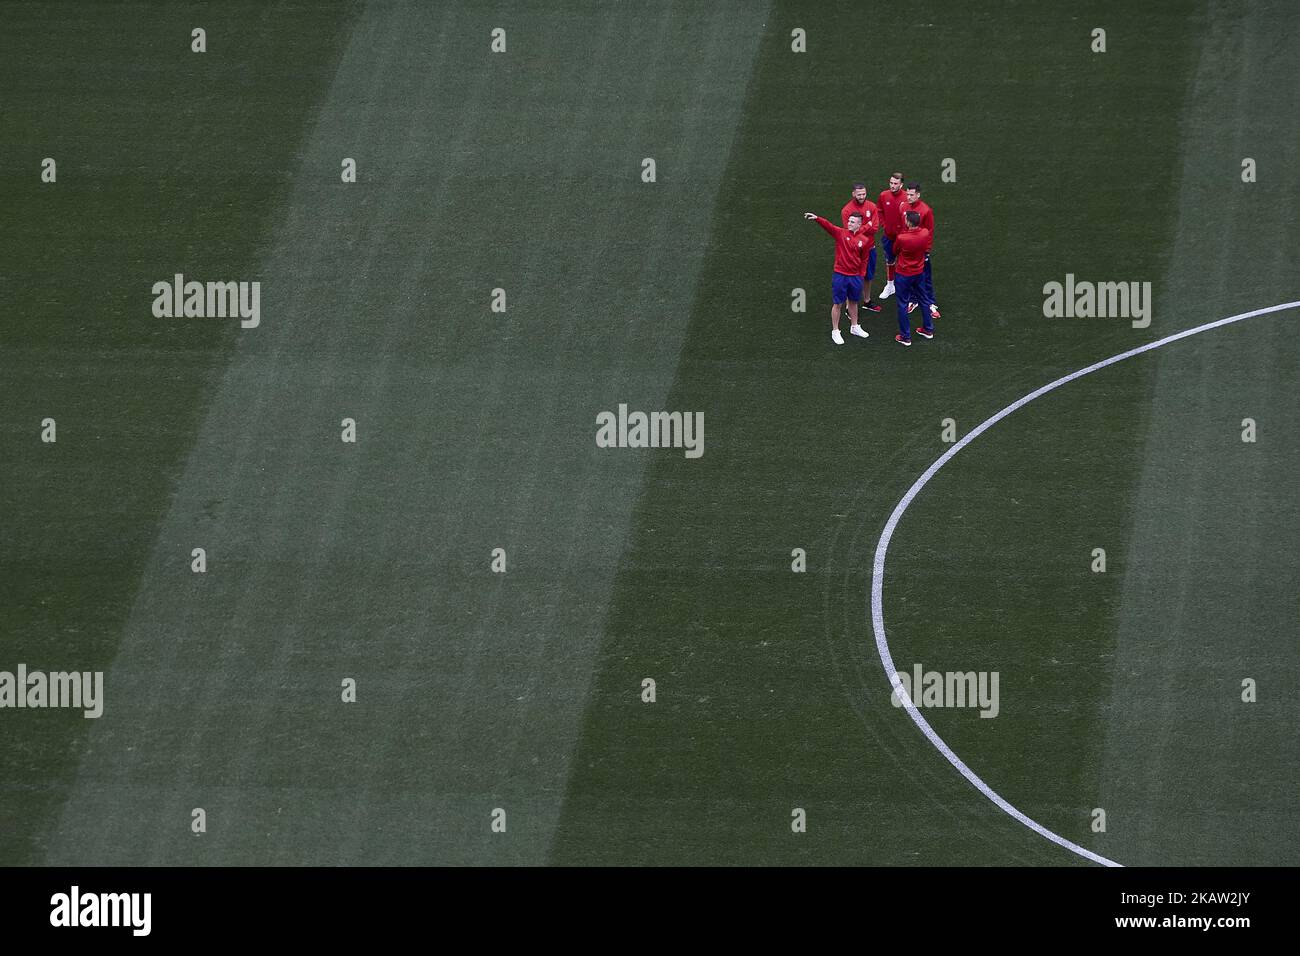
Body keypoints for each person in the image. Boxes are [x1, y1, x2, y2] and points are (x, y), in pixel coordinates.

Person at [803, 210, 871, 345]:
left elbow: (864, 259)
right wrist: (817, 218)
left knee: (853, 302)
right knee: (838, 303)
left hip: (855, 277)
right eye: (849, 221)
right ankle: (835, 331)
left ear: (859, 224)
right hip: (840, 275)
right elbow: (828, 226)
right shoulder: (841, 233)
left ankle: (854, 326)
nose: (849, 223)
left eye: (852, 222)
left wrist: (861, 275)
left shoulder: (865, 240)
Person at [892, 210, 935, 346]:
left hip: (904, 274)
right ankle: (928, 329)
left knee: (902, 304)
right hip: (919, 272)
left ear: (908, 222)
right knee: (924, 299)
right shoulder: (925, 233)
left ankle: (905, 336)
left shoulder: (902, 238)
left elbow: (895, 251)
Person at [840, 182, 881, 312]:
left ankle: (867, 301)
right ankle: (848, 306)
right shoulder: (846, 210)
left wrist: (862, 228)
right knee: (852, 278)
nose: (862, 196)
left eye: (864, 194)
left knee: (868, 276)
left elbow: (875, 228)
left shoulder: (872, 206)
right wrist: (867, 226)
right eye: (859, 194)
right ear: (853, 194)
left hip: (869, 248)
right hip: (853, 251)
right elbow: (850, 232)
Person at [902, 181, 941, 320]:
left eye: (911, 195)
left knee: (925, 277)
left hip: (921, 250)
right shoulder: (904, 206)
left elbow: (929, 231)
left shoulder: (926, 210)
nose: (908, 197)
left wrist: (926, 250)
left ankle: (930, 302)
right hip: (908, 250)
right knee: (910, 277)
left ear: (918, 195)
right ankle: (913, 300)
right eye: (907, 194)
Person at [877, 172, 907, 300]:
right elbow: (879, 211)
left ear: (901, 185)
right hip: (889, 236)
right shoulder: (884, 195)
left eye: (895, 183)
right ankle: (890, 286)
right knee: (890, 260)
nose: (892, 186)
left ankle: (906, 288)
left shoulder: (907, 197)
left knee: (905, 262)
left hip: (904, 238)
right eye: (891, 183)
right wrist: (884, 225)